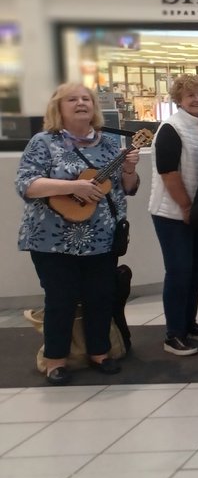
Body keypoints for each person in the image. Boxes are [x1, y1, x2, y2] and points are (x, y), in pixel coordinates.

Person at [16, 83, 139, 384]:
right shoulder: (43, 142)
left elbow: (129, 188)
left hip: (102, 237)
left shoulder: (110, 143)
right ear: (58, 108)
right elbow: (27, 185)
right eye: (72, 99)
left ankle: (99, 352)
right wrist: (73, 187)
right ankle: (56, 359)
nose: (81, 103)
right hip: (52, 239)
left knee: (101, 296)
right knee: (61, 299)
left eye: (86, 99)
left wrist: (128, 170)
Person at [149, 75, 198, 356]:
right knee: (178, 272)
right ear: (178, 99)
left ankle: (189, 324)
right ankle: (173, 334)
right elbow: (168, 172)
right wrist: (187, 207)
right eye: (191, 95)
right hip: (172, 213)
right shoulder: (171, 128)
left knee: (194, 272)